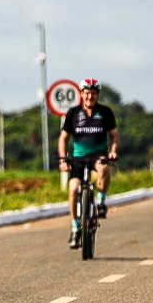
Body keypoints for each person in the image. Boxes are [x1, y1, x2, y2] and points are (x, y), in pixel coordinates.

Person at [57, 78, 119, 248]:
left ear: (98, 95)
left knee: (104, 167)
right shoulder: (73, 113)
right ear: (81, 94)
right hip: (78, 158)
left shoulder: (105, 112)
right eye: (87, 93)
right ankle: (75, 228)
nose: (90, 97)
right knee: (73, 190)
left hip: (98, 155)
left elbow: (114, 136)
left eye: (93, 93)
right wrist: (63, 159)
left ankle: (101, 202)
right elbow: (63, 138)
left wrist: (113, 151)